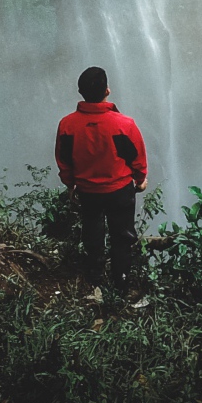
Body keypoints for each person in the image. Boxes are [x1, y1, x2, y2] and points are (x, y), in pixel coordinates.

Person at [54, 66, 148, 290]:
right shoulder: (124, 124)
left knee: (92, 234)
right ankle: (121, 284)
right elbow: (136, 156)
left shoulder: (67, 125)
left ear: (80, 92)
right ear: (107, 90)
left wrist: (70, 185)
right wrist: (140, 179)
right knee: (122, 236)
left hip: (88, 192)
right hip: (120, 191)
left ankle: (95, 280)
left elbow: (64, 159)